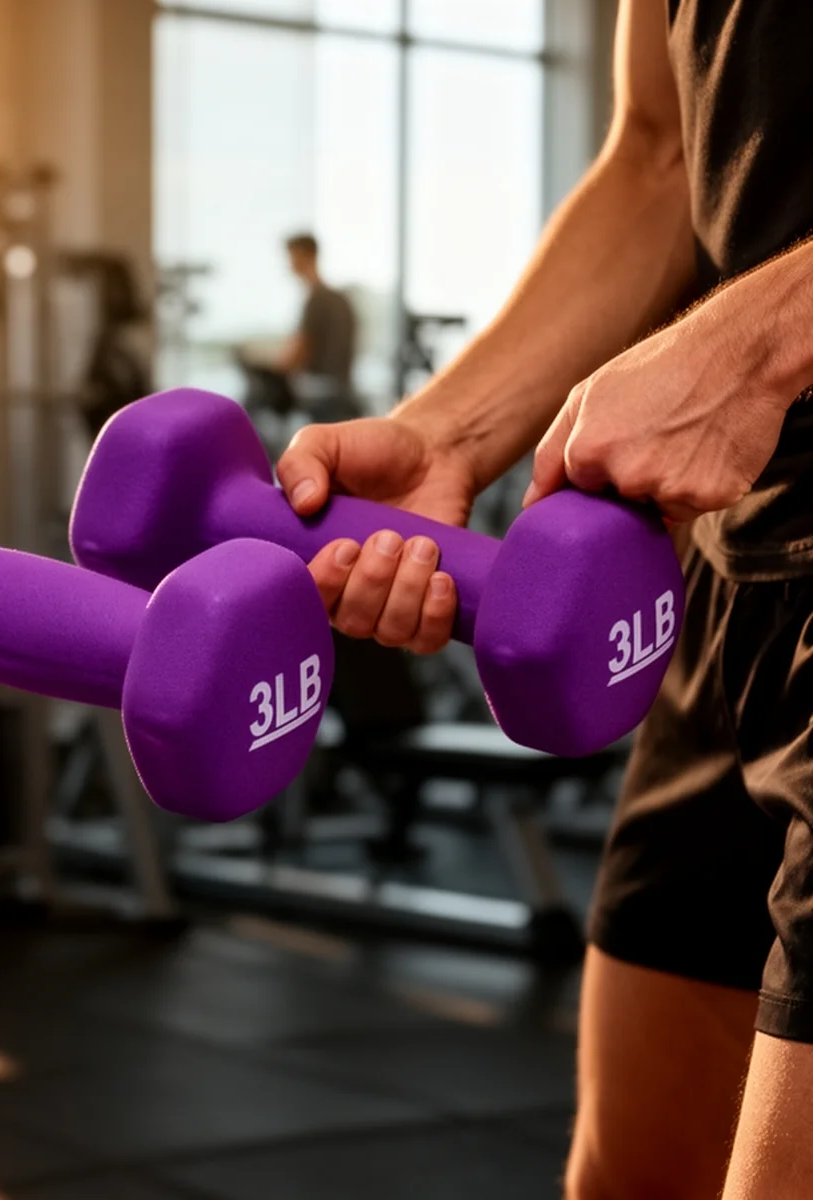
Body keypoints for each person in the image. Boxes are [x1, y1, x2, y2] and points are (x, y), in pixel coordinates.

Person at [275, 3, 813, 1197]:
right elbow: (661, 153)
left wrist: (760, 344)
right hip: (735, 576)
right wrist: (444, 439)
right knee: (630, 1178)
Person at [241, 233, 359, 427]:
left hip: (321, 388)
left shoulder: (317, 299)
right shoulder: (339, 299)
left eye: (292, 256)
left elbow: (295, 356)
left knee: (255, 394)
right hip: (341, 387)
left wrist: (264, 362)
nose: (289, 264)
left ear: (308, 256)